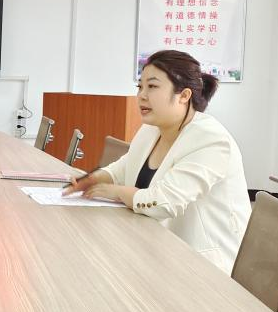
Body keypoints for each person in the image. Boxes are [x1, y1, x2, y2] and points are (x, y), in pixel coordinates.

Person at [64, 50, 251, 274]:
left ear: (184, 95)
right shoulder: (151, 130)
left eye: (152, 86)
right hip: (155, 249)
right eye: (139, 87)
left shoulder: (211, 140)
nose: (142, 96)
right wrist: (93, 179)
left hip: (203, 267)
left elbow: (165, 202)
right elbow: (124, 167)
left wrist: (116, 192)